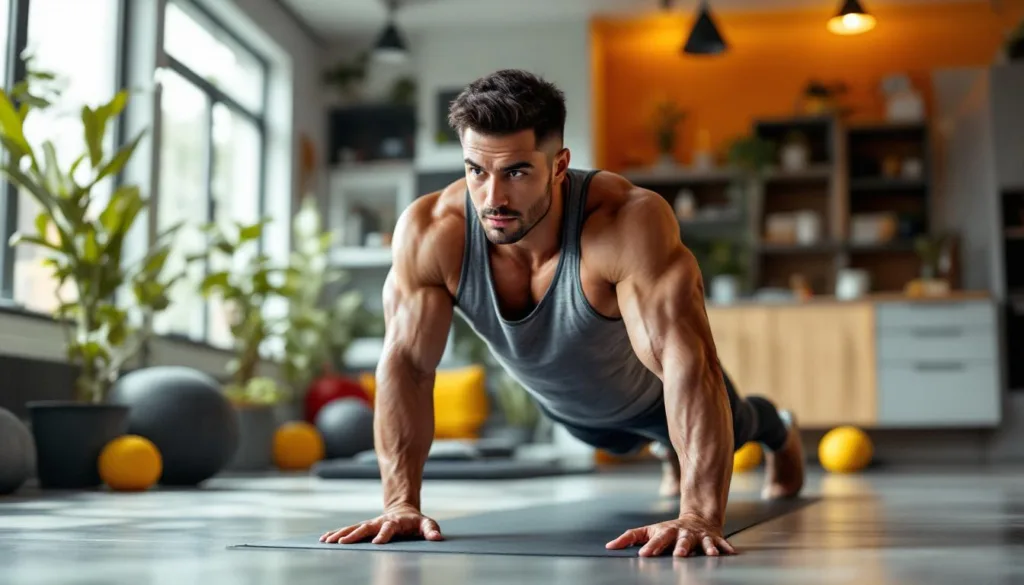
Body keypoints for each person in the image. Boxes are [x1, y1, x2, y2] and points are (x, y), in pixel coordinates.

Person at [319, 69, 805, 557]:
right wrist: (400, 503)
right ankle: (670, 452)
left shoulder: (625, 221)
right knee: (619, 442)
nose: (493, 199)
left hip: (657, 396)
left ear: (559, 165)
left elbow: (685, 363)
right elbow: (407, 365)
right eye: (476, 171)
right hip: (572, 410)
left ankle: (778, 429)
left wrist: (698, 513)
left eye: (516, 172)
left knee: (739, 423)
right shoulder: (432, 231)